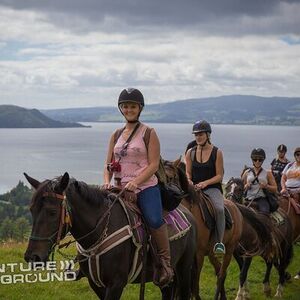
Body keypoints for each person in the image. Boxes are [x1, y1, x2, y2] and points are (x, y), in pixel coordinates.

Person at [102, 87, 173, 287]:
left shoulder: (149, 133)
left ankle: (165, 264)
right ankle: (86, 260)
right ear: (121, 109)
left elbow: (153, 165)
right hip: (118, 187)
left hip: (145, 186)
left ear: (139, 108)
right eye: (125, 106)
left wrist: (136, 182)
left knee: (153, 218)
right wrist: (107, 180)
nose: (129, 109)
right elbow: (107, 164)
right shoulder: (115, 135)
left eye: (132, 106)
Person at [185, 120, 226, 255]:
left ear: (208, 135)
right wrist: (189, 180)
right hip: (194, 188)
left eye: (201, 134)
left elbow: (220, 175)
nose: (198, 137)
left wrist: (206, 183)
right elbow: (188, 172)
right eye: (196, 135)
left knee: (219, 209)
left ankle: (219, 242)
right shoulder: (190, 152)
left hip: (212, 188)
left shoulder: (217, 152)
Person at [242, 148, 277, 214]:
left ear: (263, 160)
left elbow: (275, 189)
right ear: (252, 160)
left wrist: (266, 186)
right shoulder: (246, 172)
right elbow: (242, 187)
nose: (257, 161)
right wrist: (246, 186)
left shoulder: (268, 173)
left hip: (261, 200)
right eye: (255, 159)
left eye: (260, 160)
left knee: (264, 214)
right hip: (248, 199)